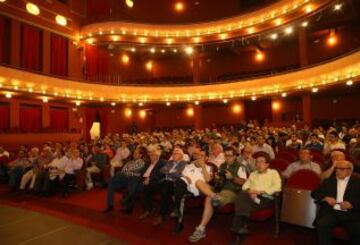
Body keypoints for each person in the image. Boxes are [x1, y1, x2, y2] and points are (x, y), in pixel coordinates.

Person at [188, 147, 247, 242]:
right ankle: (214, 196)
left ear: (235, 156)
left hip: (230, 191)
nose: (227, 158)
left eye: (230, 156)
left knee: (208, 198)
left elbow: (243, 182)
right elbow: (217, 183)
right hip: (218, 189)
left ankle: (201, 228)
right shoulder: (222, 165)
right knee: (199, 182)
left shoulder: (240, 166)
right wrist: (217, 179)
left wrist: (232, 178)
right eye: (226, 155)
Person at [230, 152, 282, 243]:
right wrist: (251, 192)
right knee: (242, 195)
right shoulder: (253, 174)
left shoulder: (273, 173)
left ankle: (237, 230)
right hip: (251, 198)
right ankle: (240, 231)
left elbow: (277, 187)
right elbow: (245, 186)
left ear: (267, 164)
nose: (258, 164)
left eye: (261, 162)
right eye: (257, 162)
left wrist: (259, 192)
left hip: (265, 199)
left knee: (241, 201)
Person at [311, 160, 360, 245]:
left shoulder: (357, 182)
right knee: (322, 224)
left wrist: (352, 204)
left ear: (349, 171)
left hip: (351, 214)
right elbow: (314, 193)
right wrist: (325, 198)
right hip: (331, 212)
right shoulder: (329, 181)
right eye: (337, 169)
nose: (338, 171)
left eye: (342, 169)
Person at [140, 148, 186, 225]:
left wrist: (169, 171)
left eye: (176, 153)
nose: (173, 155)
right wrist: (171, 171)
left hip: (174, 183)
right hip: (164, 181)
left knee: (165, 191)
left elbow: (178, 174)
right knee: (147, 187)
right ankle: (149, 209)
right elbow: (162, 171)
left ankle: (162, 215)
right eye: (173, 153)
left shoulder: (184, 163)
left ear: (181, 156)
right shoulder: (170, 162)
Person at [171, 150, 212, 233]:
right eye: (199, 155)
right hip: (185, 187)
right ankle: (179, 222)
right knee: (180, 183)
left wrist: (203, 167)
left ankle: (176, 209)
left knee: (178, 194)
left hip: (198, 189)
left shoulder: (209, 168)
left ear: (206, 158)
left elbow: (208, 180)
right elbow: (182, 176)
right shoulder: (189, 166)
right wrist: (185, 177)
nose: (200, 157)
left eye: (202, 156)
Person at [103, 146, 146, 214]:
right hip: (124, 179)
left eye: (136, 153)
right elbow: (124, 169)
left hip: (132, 180)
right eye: (134, 153)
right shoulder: (130, 162)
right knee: (111, 185)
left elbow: (133, 170)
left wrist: (127, 171)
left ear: (140, 155)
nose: (134, 154)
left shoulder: (142, 162)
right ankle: (110, 206)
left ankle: (107, 181)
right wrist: (127, 171)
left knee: (118, 173)